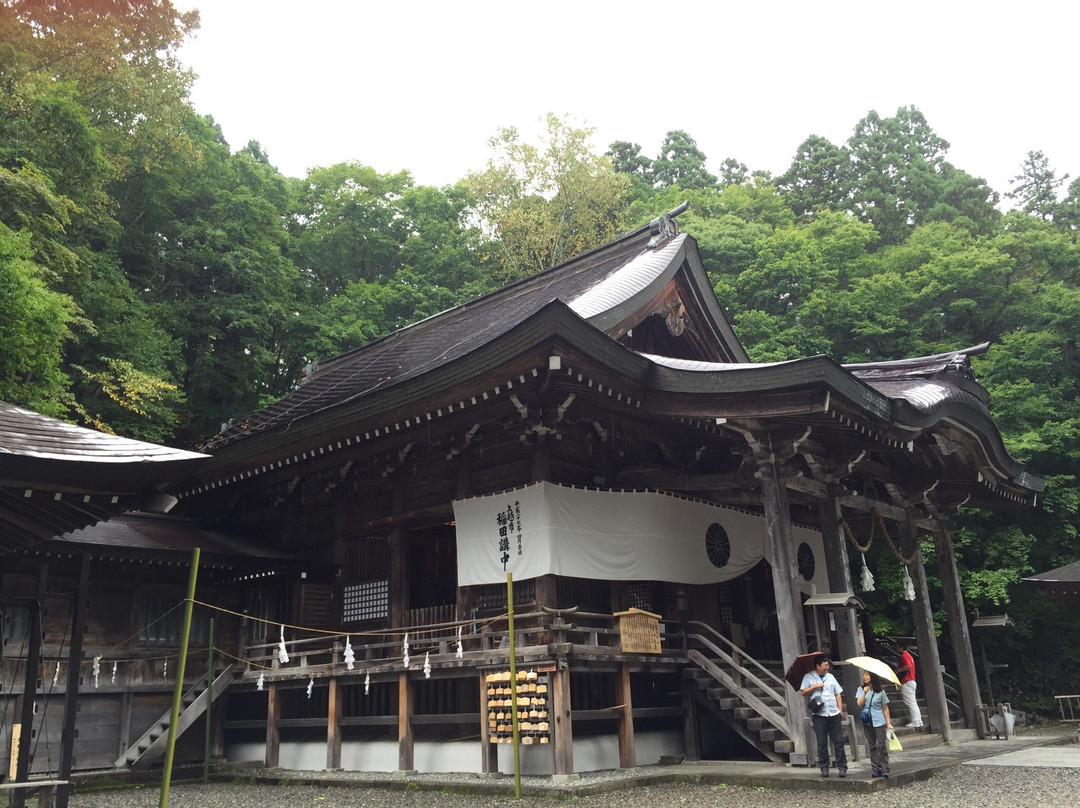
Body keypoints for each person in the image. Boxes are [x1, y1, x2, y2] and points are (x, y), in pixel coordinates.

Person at [799, 654, 847, 778]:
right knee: (821, 743)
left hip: (833, 712)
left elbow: (838, 693)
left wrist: (840, 710)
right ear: (818, 666)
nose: (827, 668)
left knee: (838, 741)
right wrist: (815, 686)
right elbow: (803, 692)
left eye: (828, 665)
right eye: (825, 666)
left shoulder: (830, 677)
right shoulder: (808, 677)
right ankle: (824, 767)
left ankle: (842, 767)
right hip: (819, 714)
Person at [856, 670, 893, 777]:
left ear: (872, 676)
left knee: (881, 745)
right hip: (867, 720)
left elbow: (885, 708)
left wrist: (888, 722)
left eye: (867, 675)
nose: (865, 677)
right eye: (864, 675)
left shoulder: (881, 692)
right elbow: (859, 703)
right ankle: (875, 768)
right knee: (872, 745)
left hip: (879, 720)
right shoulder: (861, 689)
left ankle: (885, 767)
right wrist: (864, 692)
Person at [895, 639, 923, 728]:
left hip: (907, 681)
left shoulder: (904, 655)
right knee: (913, 702)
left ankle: (915, 720)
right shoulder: (909, 655)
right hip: (911, 681)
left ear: (900, 647)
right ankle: (918, 720)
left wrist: (899, 670)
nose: (896, 648)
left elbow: (908, 666)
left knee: (910, 703)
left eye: (897, 646)